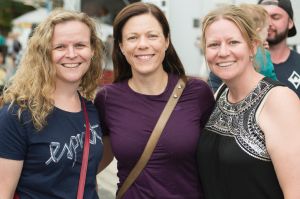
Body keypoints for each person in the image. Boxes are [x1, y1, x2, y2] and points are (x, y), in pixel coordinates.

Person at [95, 2, 215, 199]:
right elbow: (96, 161)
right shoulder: (107, 99)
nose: (143, 44)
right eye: (132, 37)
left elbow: (216, 159)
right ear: (121, 46)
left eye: (152, 35)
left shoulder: (197, 93)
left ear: (166, 41)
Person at [197, 5, 300, 199]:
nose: (223, 52)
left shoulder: (279, 100)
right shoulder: (220, 93)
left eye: (233, 42)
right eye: (213, 44)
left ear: (253, 47)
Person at [0, 9, 104, 199]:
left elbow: (88, 179)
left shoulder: (91, 108)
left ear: (92, 50)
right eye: (60, 47)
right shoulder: (18, 114)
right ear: (44, 53)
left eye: (80, 45)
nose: (71, 54)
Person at [208, 0, 300, 98]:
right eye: (260, 19)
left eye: (275, 17)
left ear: (290, 22)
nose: (269, 24)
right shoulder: (228, 63)